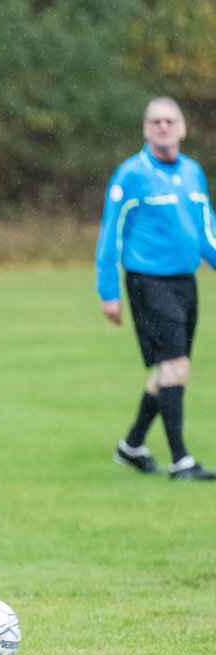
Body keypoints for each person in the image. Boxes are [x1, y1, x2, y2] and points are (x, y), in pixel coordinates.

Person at [96, 97, 216, 481]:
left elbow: (206, 229)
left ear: (182, 128)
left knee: (169, 370)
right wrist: (108, 290)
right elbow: (110, 235)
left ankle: (131, 446)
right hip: (148, 282)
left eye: (170, 121)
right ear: (146, 130)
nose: (163, 127)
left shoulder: (193, 173)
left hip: (185, 282)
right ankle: (181, 462)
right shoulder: (131, 174)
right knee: (175, 366)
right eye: (155, 121)